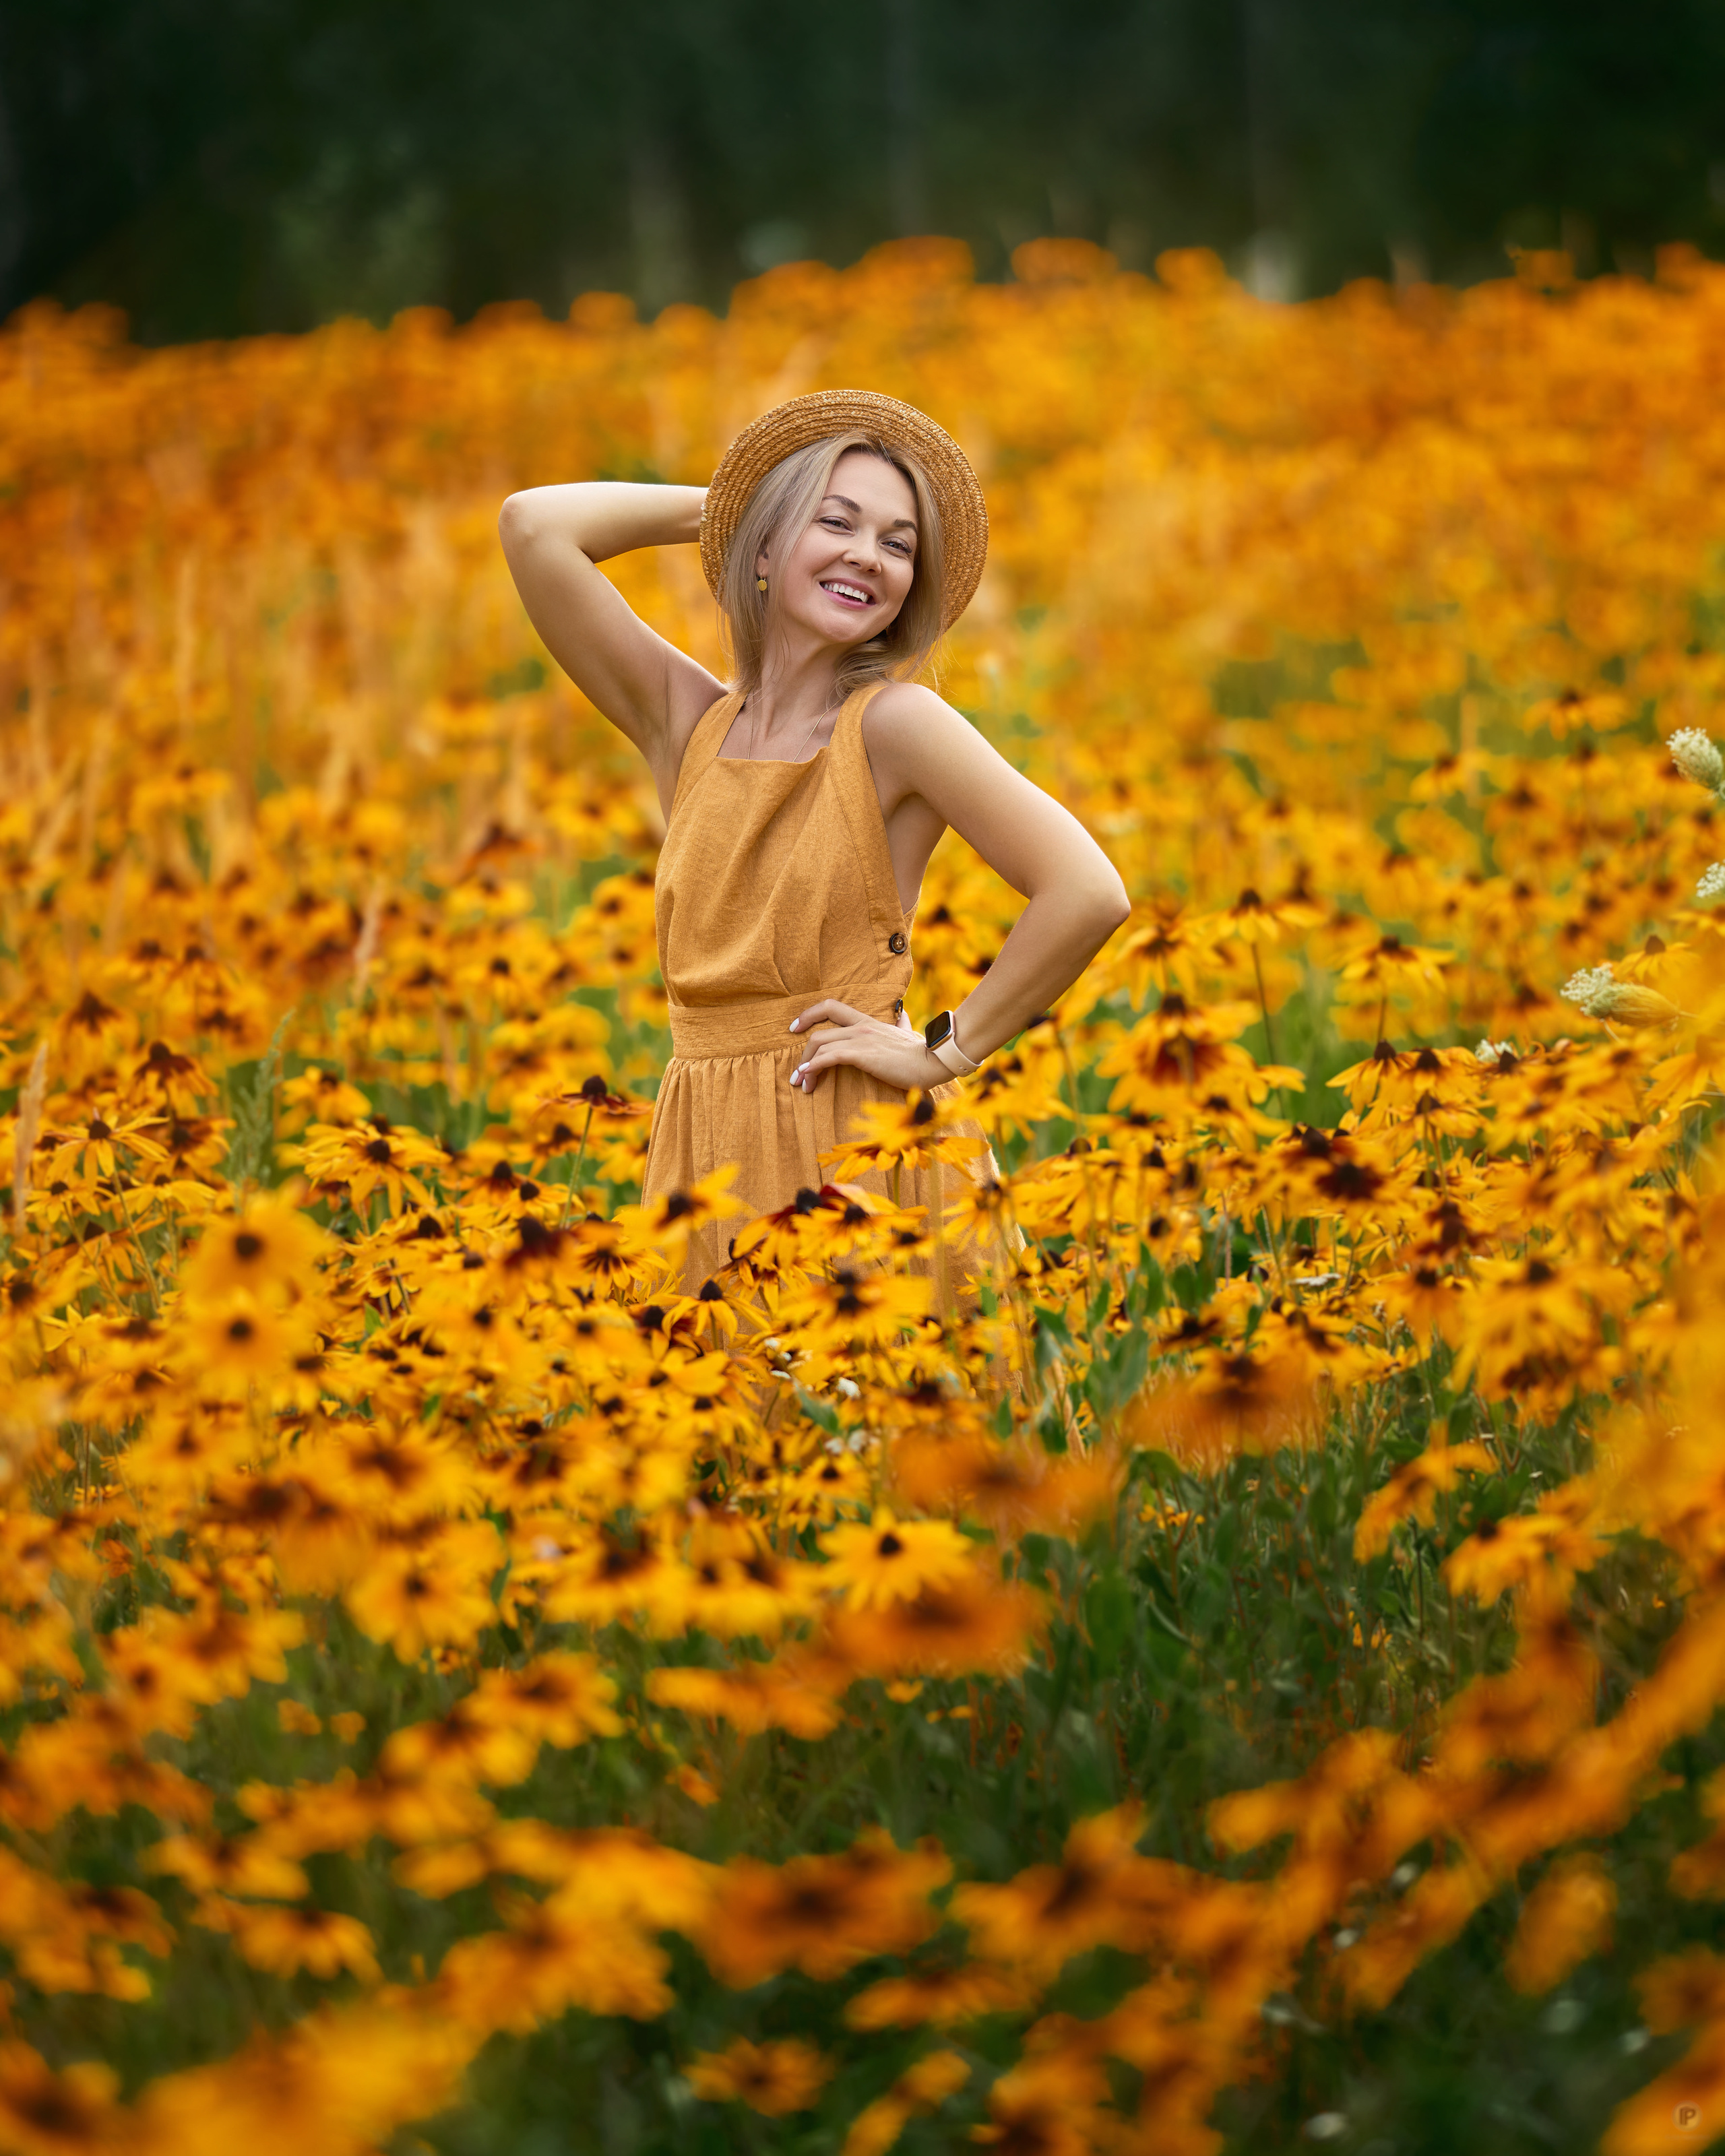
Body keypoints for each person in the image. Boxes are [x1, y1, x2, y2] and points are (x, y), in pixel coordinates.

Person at [499, 388, 1129, 1292]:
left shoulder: (899, 725)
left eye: (899, 544)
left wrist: (942, 1052)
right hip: (702, 1155)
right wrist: (749, 503)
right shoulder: (689, 725)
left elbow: (1087, 889)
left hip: (855, 1140)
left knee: (880, 1421)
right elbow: (533, 527)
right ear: (765, 546)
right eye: (836, 523)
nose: (867, 557)